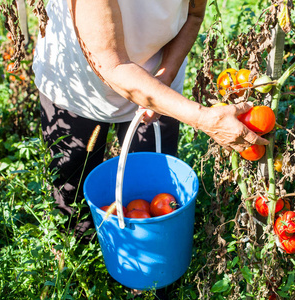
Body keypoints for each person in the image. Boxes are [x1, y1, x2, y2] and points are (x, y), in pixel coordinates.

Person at [32, 0, 268, 239]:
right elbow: (112, 65)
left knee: (152, 192)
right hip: (76, 83)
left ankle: (145, 266)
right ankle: (80, 261)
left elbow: (193, 16)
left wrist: (163, 81)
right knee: (72, 193)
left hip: (157, 70)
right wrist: (206, 119)